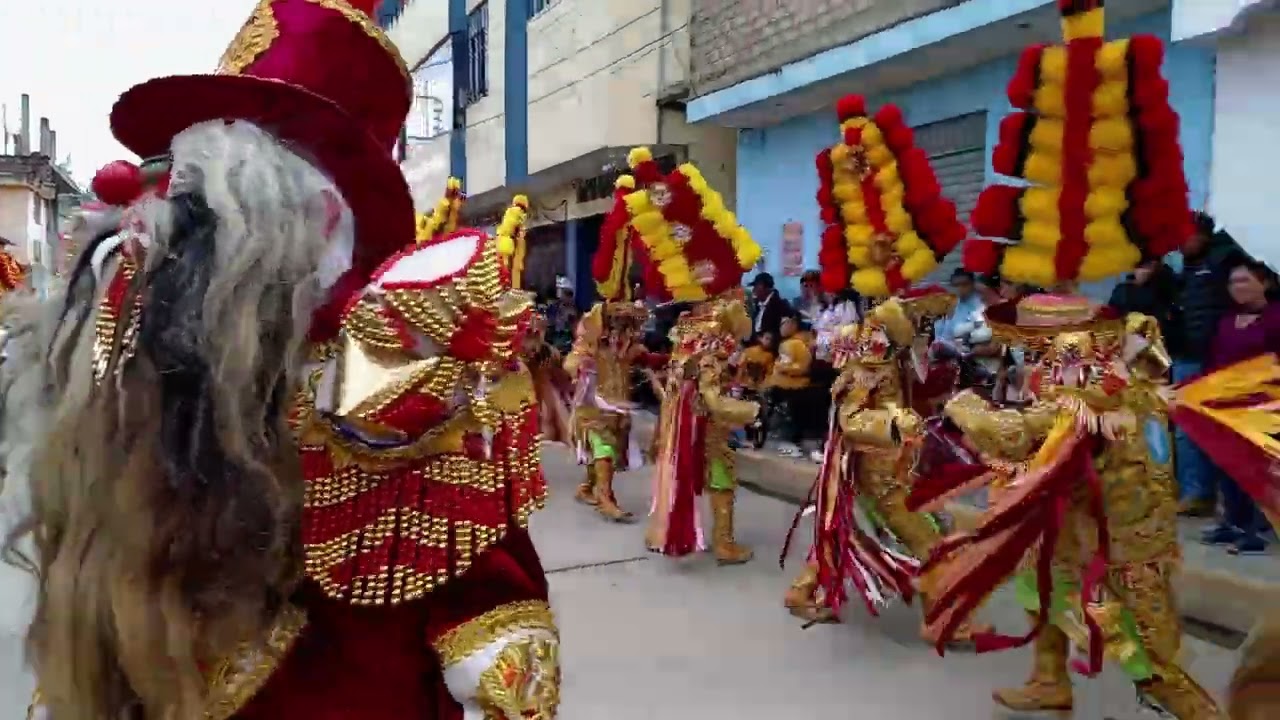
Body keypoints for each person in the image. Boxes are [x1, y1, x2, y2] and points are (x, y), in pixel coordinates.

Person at [7, 3, 561, 718]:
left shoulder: (403, 378)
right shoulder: (126, 367)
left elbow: (497, 632)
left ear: (323, 220)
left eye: (222, 196)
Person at [919, 3, 1222, 715]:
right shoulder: (1106, 335)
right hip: (1068, 496)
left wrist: (964, 411)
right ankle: (1052, 681)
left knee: (1129, 616)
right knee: (1046, 579)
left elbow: (1044, 429)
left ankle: (1183, 699)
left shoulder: (1094, 350)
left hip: (1114, 508)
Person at [782, 92, 980, 638]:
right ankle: (947, 621)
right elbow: (850, 418)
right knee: (922, 536)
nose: (927, 332)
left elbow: (918, 392)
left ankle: (812, 589)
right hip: (875, 467)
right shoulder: (867, 351)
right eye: (920, 324)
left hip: (901, 464)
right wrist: (895, 424)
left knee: (856, 531)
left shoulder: (897, 348)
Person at [620, 146, 763, 565]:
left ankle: (674, 529)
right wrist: (745, 405)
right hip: (706, 408)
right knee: (720, 467)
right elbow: (726, 357)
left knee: (683, 468)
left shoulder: (687, 323)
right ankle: (723, 540)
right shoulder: (722, 319)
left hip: (681, 408)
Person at [1198, 259, 1280, 554]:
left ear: (1265, 284)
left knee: (1258, 469)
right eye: (1234, 282)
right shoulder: (1225, 321)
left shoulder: (1275, 318)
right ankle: (1232, 522)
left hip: (1263, 406)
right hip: (1225, 406)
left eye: (1245, 281)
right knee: (1228, 467)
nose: (1238, 288)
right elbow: (1214, 361)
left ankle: (1256, 530)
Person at [1172, 211, 1249, 516]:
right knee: (1186, 428)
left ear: (1202, 234)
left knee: (1220, 429)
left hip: (1216, 358)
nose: (1179, 243)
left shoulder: (1223, 261)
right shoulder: (1187, 271)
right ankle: (1196, 492)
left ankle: (1230, 501)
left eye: (1184, 235)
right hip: (1186, 355)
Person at [764, 312, 814, 457]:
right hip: (789, 385)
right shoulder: (796, 343)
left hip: (790, 386)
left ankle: (787, 442)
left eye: (783, 323)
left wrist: (780, 367)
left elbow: (801, 367)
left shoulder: (793, 344)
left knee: (785, 414)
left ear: (793, 324)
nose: (780, 327)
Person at [749, 271, 788, 344]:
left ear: (767, 288)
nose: (753, 289)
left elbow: (782, 332)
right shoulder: (756, 305)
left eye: (756, 286)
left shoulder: (779, 305)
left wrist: (770, 339)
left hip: (769, 348)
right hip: (753, 344)